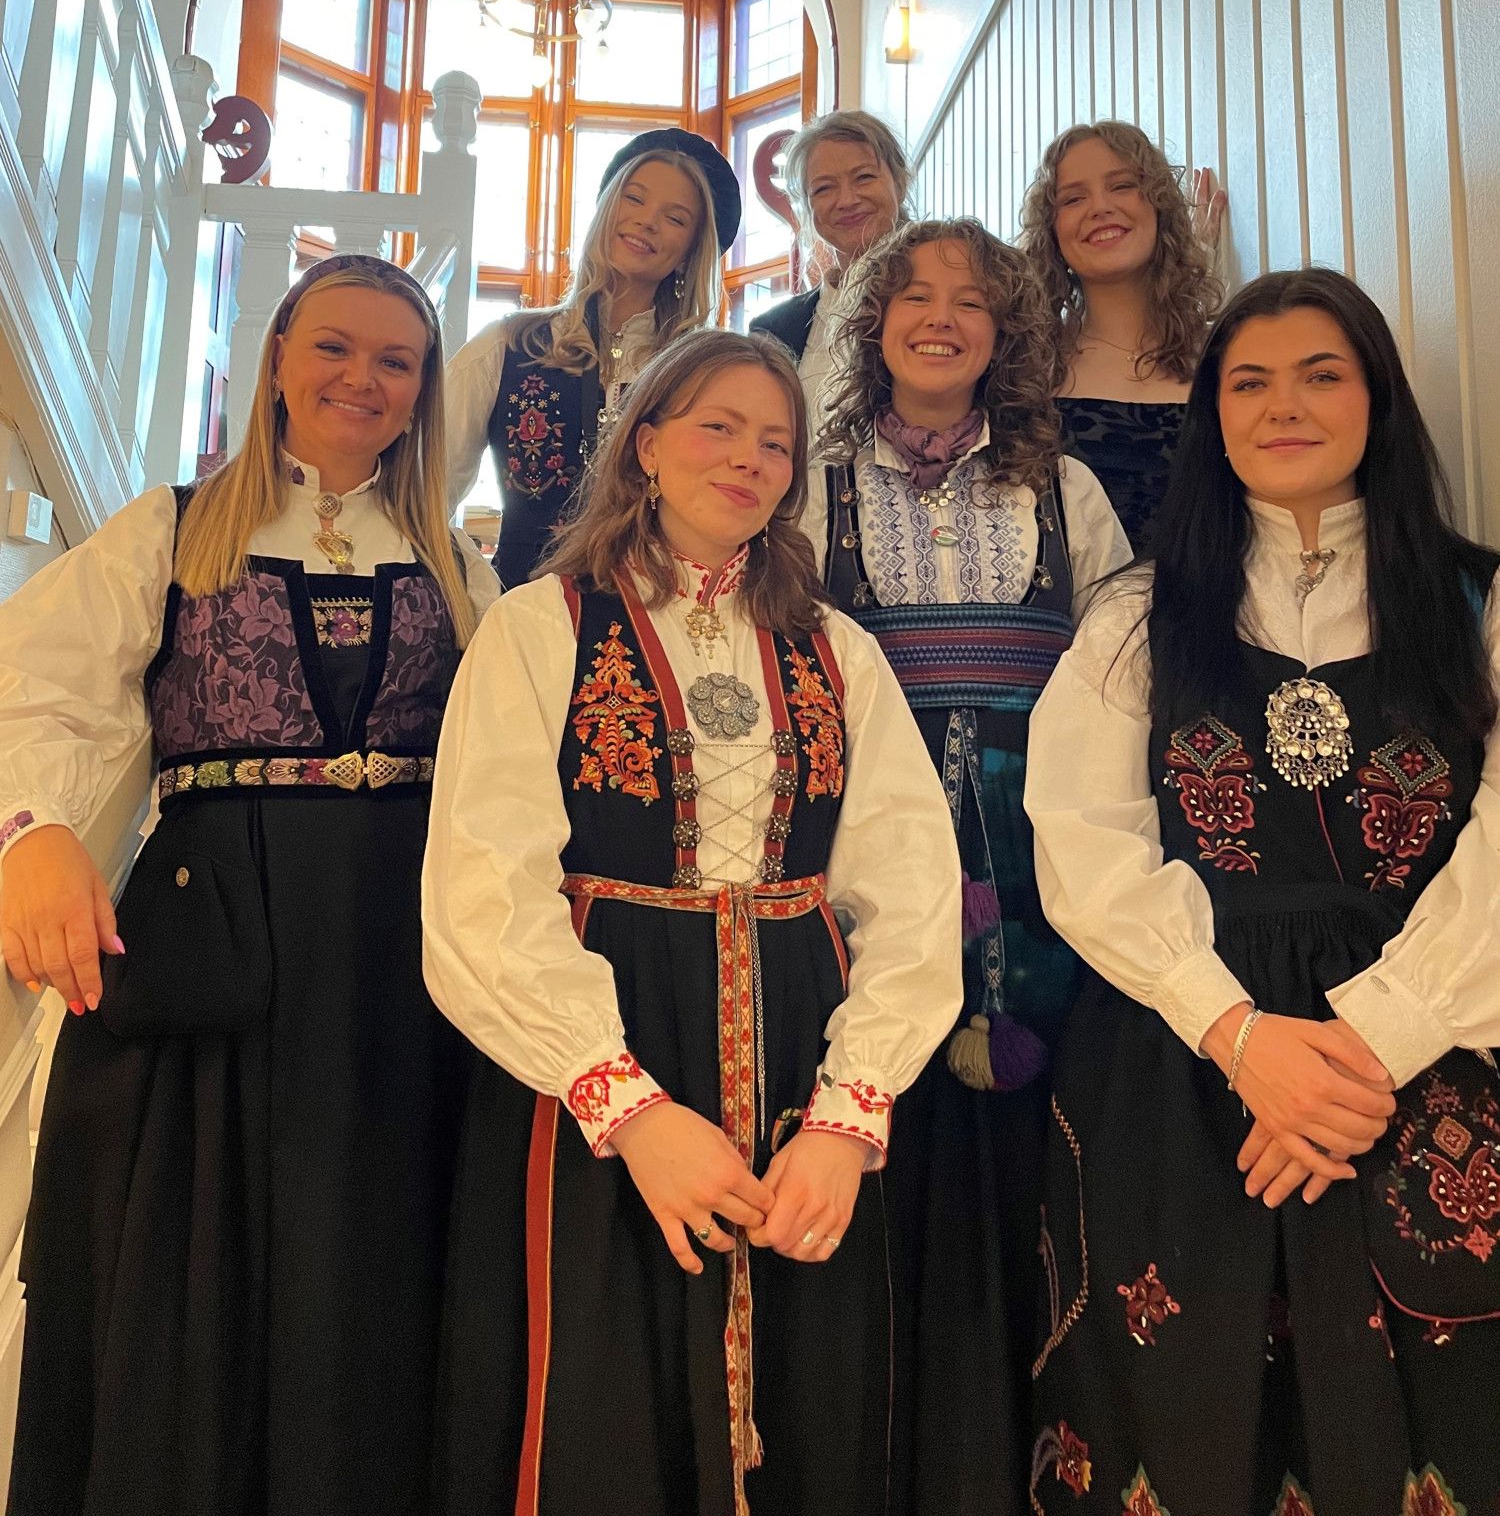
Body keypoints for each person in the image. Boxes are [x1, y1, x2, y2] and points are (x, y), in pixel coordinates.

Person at [422, 328, 963, 1516]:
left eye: (777, 440)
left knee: (810, 1395)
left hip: (802, 1056)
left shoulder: (840, 648)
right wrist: (627, 1105)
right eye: (718, 425)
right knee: (601, 1395)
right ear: (648, 443)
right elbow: (482, 890)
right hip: (601, 1051)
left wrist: (849, 1112)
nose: (751, 457)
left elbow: (911, 892)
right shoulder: (540, 625)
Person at [0, 255, 499, 1516]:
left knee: (379, 1258)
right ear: (276, 356)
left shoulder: (458, 563)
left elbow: (524, 753)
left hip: (404, 957)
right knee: (185, 1266)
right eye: (335, 345)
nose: (363, 377)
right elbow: (34, 686)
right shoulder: (169, 527)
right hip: (213, 939)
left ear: (425, 389)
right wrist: (30, 834)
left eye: (396, 359)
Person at [1025, 268, 1500, 1516]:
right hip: (1182, 1061)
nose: (1284, 405)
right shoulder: (1135, 615)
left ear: (1378, 400)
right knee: (1190, 1421)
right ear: (1212, 413)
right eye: (1249, 381)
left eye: (1321, 374)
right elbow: (1083, 838)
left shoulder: (1482, 602)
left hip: (1422, 1066)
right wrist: (1241, 1036)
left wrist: (1363, 1043)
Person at [810, 218, 1129, 1516]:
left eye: (972, 302)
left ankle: (1018, 1454)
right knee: (878, 1127)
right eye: (913, 295)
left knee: (1029, 1150)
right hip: (863, 849)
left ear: (1008, 335)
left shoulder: (1066, 489)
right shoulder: (811, 478)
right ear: (874, 320)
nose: (939, 316)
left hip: (1041, 854)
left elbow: (1120, 671)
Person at [445, 125, 741, 585]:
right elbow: (428, 487)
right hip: (523, 614)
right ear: (607, 209)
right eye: (634, 198)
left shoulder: (703, 371)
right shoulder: (508, 343)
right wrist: (474, 587)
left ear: (690, 252)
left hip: (656, 619)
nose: (646, 221)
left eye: (675, 218)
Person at [1018, 120, 1222, 552]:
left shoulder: (1225, 358)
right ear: (1052, 233)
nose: (1100, 207)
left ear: (1159, 206)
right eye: (1073, 198)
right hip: (1073, 616)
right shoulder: (1025, 373)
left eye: (1123, 186)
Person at [750, 108, 909, 433]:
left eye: (864, 177)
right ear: (806, 207)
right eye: (823, 188)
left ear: (900, 182)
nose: (847, 200)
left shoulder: (950, 298)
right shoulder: (776, 329)